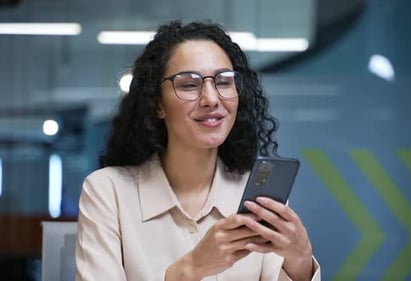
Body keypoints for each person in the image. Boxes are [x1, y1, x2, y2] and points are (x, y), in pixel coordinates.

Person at [75, 20, 321, 281]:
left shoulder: (257, 197)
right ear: (157, 104)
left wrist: (301, 261)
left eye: (224, 82)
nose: (211, 99)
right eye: (189, 85)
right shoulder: (108, 191)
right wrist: (191, 268)